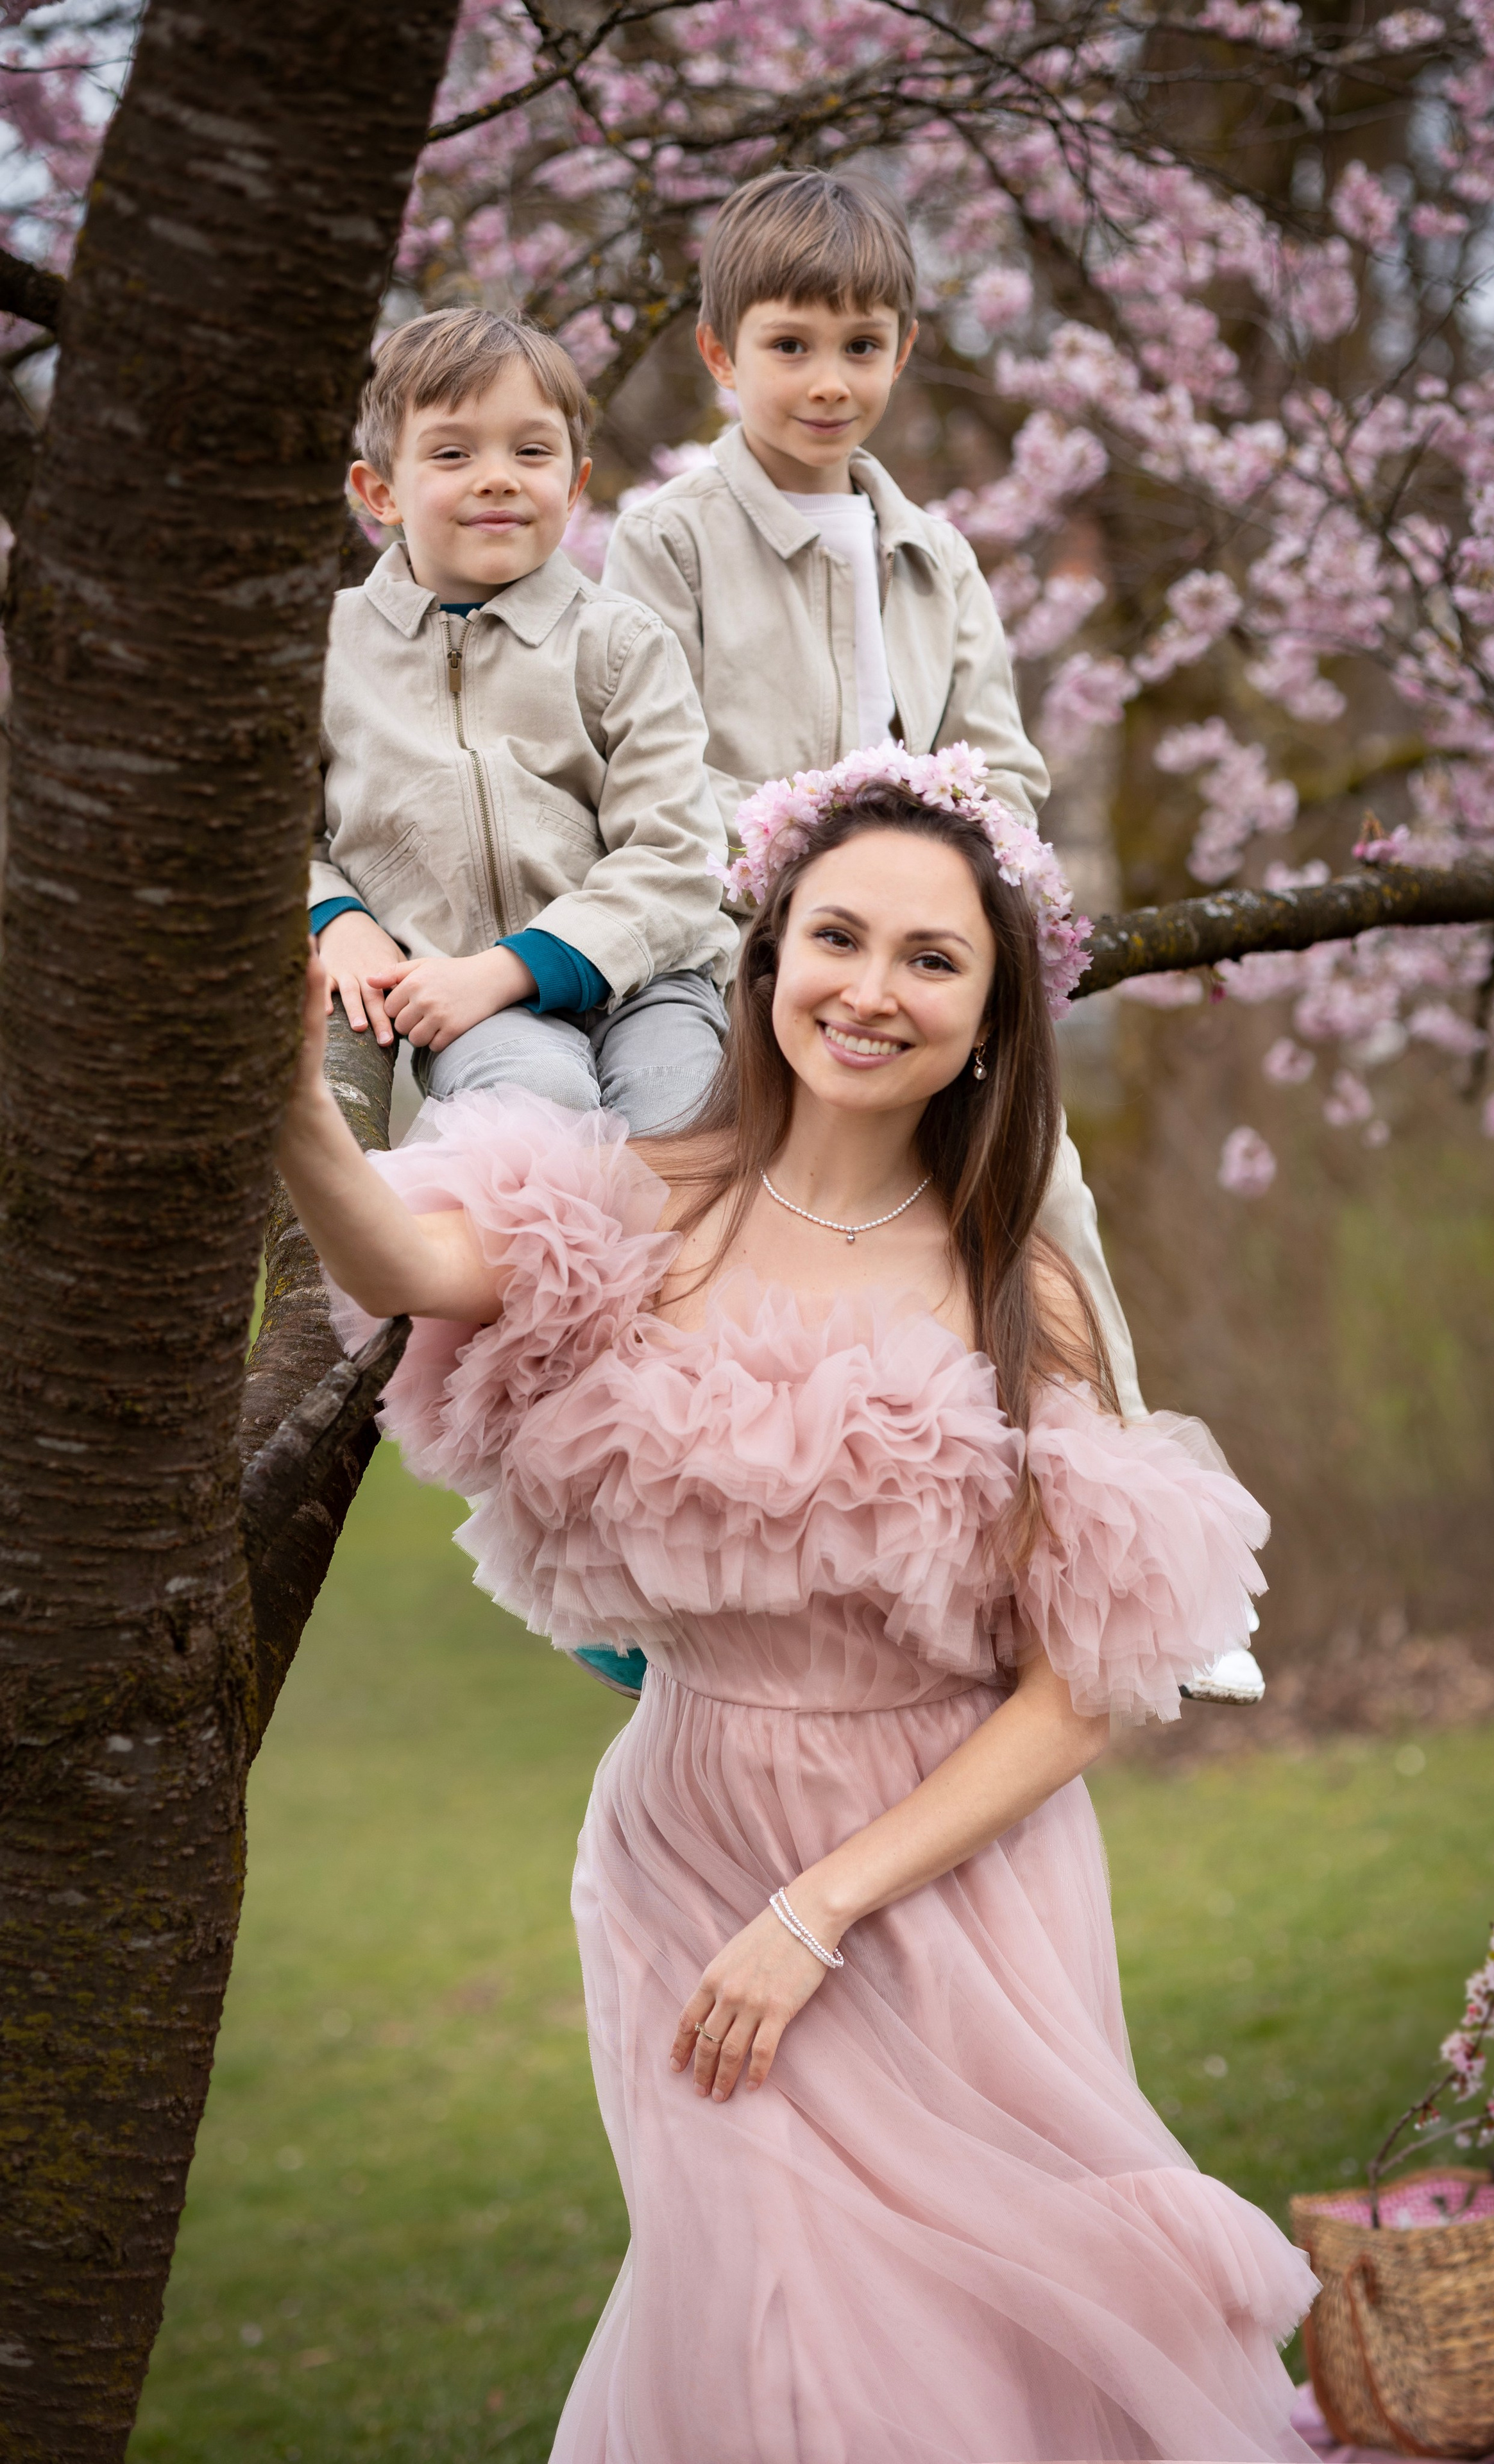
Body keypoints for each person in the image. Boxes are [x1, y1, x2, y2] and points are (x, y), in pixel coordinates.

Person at [278, 755, 1316, 2462]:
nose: (872, 989)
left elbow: (1085, 1691)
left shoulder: (1013, 1286)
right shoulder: (636, 1206)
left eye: (932, 960)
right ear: (763, 968)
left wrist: (821, 1911)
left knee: (995, 2338)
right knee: (779, 2338)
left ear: (988, 1022)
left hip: (943, 1876)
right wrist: (288, 1107)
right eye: (837, 937)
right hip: (683, 1850)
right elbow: (406, 1270)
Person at [604, 167, 1263, 1706]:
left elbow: (1007, 770)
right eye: (789, 345)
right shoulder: (667, 544)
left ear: (901, 352)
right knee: (710, 1214)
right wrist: (797, 844)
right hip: (746, 947)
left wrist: (954, 849)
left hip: (914, 944)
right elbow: (646, 762)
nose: (827, 381)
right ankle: (677, 1558)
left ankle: (1132, 1556)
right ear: (719, 354)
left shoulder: (934, 555)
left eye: (860, 344)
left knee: (1046, 1198)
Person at [312, 305, 738, 1136]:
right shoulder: (327, 651)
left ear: (575, 485)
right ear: (379, 492)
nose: (498, 476)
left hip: (643, 975)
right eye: (453, 453)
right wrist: (338, 918)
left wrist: (519, 965)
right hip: (458, 988)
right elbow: (265, 836)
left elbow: (678, 852)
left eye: (531, 451)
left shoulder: (619, 642)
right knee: (539, 1112)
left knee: (682, 1125)